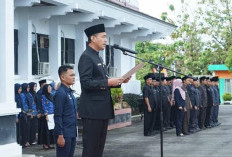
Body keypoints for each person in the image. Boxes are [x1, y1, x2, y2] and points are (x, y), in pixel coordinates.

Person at [78, 24, 131, 157]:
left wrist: (119, 81)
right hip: (92, 110)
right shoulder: (86, 56)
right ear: (93, 38)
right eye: (103, 37)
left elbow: (101, 80)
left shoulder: (98, 56)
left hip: (101, 109)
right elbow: (86, 83)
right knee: (91, 148)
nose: (106, 40)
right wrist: (108, 82)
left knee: (99, 147)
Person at [54, 65, 77, 157]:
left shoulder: (70, 92)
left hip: (72, 132)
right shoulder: (60, 93)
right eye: (71, 75)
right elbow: (58, 115)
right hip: (64, 134)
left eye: (74, 75)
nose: (74, 77)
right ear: (62, 77)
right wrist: (60, 135)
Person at [40, 84, 55, 149]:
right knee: (46, 130)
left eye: (50, 88)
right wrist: (46, 114)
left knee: (51, 130)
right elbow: (43, 105)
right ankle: (45, 143)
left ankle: (51, 143)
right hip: (47, 115)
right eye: (49, 88)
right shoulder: (43, 96)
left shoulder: (51, 95)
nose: (50, 89)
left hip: (52, 114)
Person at [21, 83, 33, 147]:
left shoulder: (29, 94)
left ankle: (28, 140)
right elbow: (24, 105)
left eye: (29, 87)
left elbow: (31, 103)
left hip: (29, 112)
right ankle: (25, 141)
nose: (28, 88)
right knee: (25, 128)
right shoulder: (23, 95)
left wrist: (31, 113)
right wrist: (28, 113)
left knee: (29, 128)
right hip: (25, 114)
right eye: (27, 87)